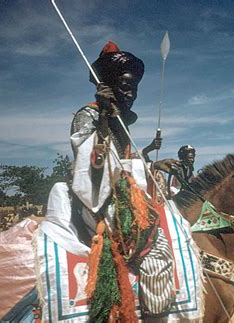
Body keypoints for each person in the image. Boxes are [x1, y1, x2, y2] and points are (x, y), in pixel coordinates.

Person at [69, 41, 173, 320]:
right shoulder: (87, 115)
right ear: (108, 84)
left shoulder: (120, 122)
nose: (131, 93)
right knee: (158, 248)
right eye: (125, 86)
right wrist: (103, 115)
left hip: (121, 194)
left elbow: (125, 164)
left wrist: (152, 163)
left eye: (134, 88)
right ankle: (156, 317)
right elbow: (94, 166)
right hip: (95, 199)